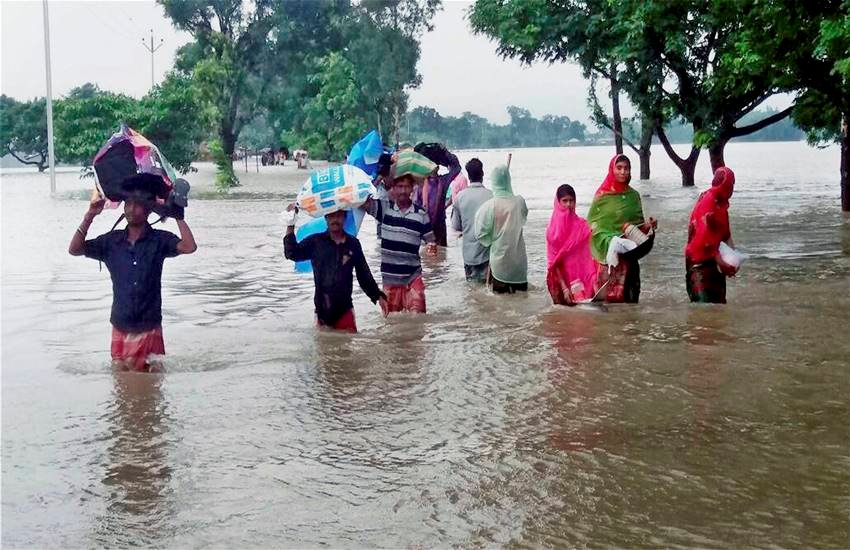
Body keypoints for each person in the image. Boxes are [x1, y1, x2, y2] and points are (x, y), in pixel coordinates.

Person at [68, 174, 197, 372]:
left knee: (152, 382)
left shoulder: (159, 240)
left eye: (137, 205)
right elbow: (75, 249)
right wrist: (90, 215)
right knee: (121, 382)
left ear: (148, 211)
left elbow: (189, 246)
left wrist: (177, 215)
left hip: (149, 326)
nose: (130, 209)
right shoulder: (111, 242)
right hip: (121, 323)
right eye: (127, 204)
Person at [284, 207, 387, 332]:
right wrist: (290, 223)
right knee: (323, 348)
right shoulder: (315, 242)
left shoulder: (353, 244)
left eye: (339, 216)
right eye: (332, 216)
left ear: (345, 218)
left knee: (348, 347)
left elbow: (363, 273)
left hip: (345, 309)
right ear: (326, 218)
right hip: (322, 310)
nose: (335, 220)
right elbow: (292, 253)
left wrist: (378, 296)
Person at [364, 166, 438, 313]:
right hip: (390, 279)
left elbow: (431, 240)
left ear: (413, 188)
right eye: (400, 186)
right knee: (392, 322)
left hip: (413, 277)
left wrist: (432, 246)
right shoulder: (384, 209)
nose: (403, 191)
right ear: (393, 188)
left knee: (419, 320)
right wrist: (378, 179)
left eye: (407, 186)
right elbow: (363, 202)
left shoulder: (421, 214)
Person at [587, 154, 657, 303]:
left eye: (626, 168)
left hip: (629, 256)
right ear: (612, 170)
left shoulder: (634, 196)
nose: (623, 172)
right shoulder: (602, 196)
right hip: (608, 258)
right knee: (608, 306)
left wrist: (649, 226)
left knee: (631, 305)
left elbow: (638, 228)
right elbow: (593, 227)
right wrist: (610, 239)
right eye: (619, 168)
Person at [685, 166, 738, 303]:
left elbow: (726, 235)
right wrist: (719, 260)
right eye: (731, 184)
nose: (732, 188)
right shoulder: (708, 202)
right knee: (703, 308)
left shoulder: (722, 207)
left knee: (718, 310)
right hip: (699, 264)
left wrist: (734, 261)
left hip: (716, 265)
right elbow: (702, 238)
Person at [474, 165, 528, 293]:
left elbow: (480, 234)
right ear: (509, 180)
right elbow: (523, 217)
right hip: (519, 265)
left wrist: (493, 240)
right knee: (521, 305)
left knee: (501, 304)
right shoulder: (519, 202)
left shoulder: (489, 207)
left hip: (500, 265)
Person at [546, 184, 597, 305]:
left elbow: (588, 257)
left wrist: (594, 279)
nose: (569, 204)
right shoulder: (552, 231)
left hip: (583, 276)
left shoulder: (582, 226)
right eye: (565, 201)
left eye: (571, 201)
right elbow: (554, 263)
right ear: (558, 203)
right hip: (562, 278)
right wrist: (564, 288)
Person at [451, 158, 492, 283]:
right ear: (483, 173)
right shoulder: (491, 196)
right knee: (487, 292)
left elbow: (456, 226)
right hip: (487, 254)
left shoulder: (460, 197)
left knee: (472, 292)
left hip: (469, 255)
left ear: (468, 176)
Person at [412, 143, 461, 247]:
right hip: (424, 229)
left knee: (438, 258)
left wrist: (445, 151)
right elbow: (415, 207)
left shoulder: (443, 181)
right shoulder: (419, 183)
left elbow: (457, 168)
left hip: (439, 228)